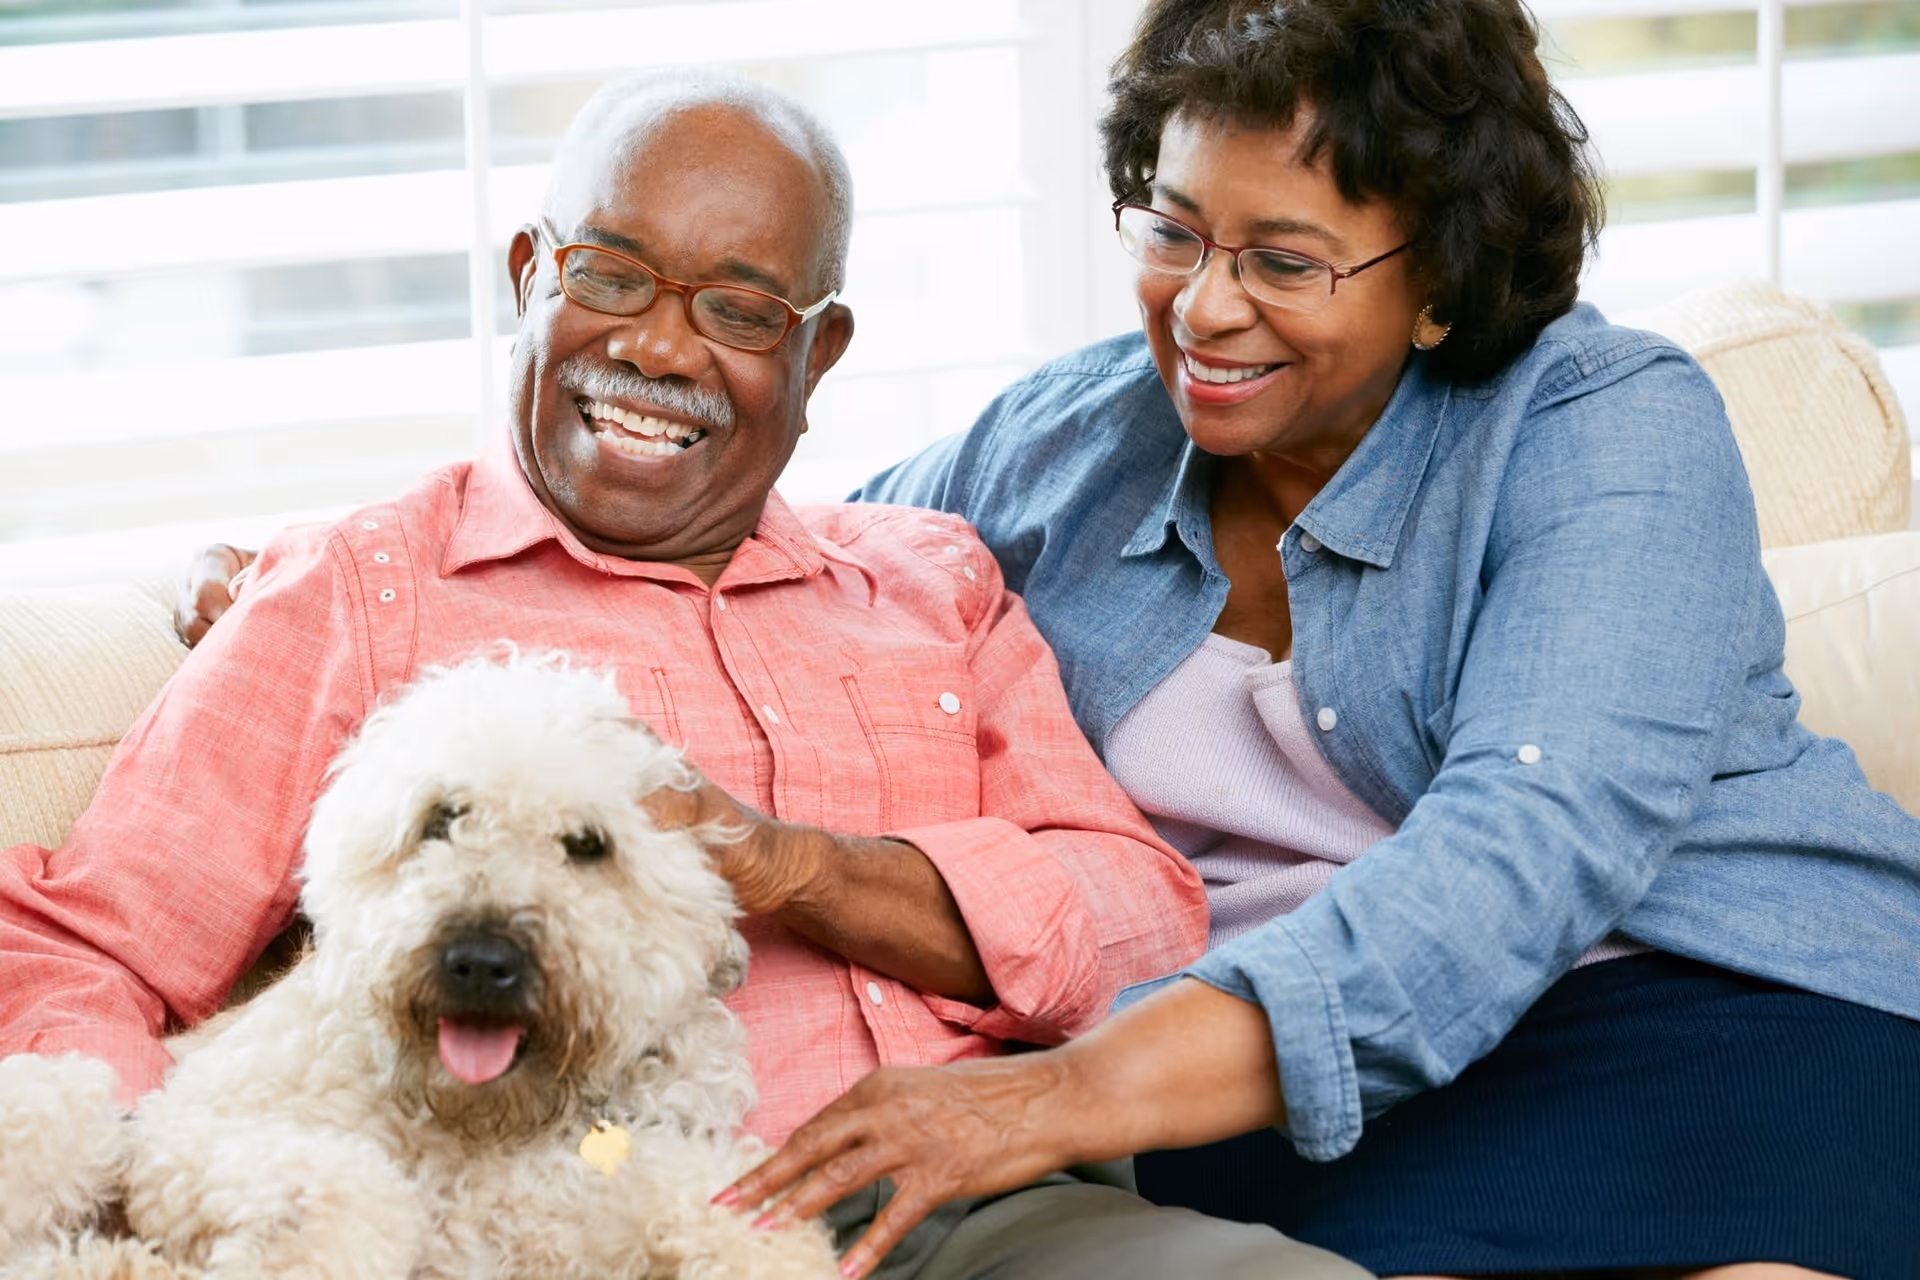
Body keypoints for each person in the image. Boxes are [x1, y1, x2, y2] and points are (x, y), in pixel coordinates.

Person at [0, 72, 1368, 1280]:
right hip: (577, 1228)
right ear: (529, 271)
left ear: (817, 350)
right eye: (607, 274)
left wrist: (798, 870)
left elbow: (1141, 914)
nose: (657, 347)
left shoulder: (928, 579)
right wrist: (172, 1190)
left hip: (983, 1213)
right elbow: (80, 952)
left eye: (736, 308)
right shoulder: (355, 591)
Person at [716, 2, 1920, 1279]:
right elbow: (786, 579)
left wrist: (1048, 1100)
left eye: (1285, 262)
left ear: (1443, 279)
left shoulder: (1606, 424)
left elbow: (1525, 850)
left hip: (1686, 1013)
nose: (1204, 308)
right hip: (1269, 1108)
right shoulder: (1064, 445)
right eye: (1174, 230)